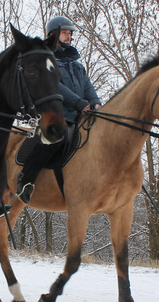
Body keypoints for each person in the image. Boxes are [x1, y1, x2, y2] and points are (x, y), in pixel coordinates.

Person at [15, 16, 102, 204]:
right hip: (57, 115)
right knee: (54, 140)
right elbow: (56, 87)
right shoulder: (49, 61)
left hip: (81, 117)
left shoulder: (77, 65)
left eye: (71, 33)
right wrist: (79, 102)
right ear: (53, 34)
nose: (69, 36)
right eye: (65, 32)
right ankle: (26, 178)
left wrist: (95, 103)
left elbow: (88, 86)